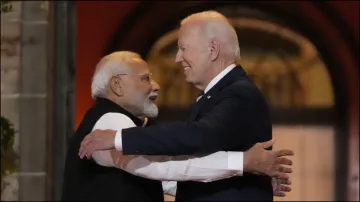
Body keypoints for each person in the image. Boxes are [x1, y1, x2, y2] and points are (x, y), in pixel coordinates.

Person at [79, 11, 295, 201]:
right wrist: (246, 167)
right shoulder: (218, 96)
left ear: (212, 49)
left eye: (183, 48)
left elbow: (199, 137)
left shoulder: (238, 93)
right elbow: (171, 165)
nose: (177, 58)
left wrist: (119, 138)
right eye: (145, 78)